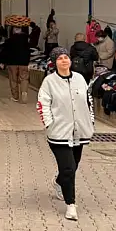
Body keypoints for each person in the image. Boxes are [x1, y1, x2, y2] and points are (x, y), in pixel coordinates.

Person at [36, 47, 95, 222]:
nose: (64, 60)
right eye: (60, 58)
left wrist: (90, 121)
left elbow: (88, 101)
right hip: (59, 133)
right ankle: (71, 205)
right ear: (54, 63)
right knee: (68, 167)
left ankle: (60, 182)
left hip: (80, 131)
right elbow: (43, 104)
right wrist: (49, 124)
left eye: (66, 57)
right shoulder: (49, 82)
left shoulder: (80, 79)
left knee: (73, 165)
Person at [1, 26, 31, 103]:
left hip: (12, 62)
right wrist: (28, 62)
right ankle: (24, 92)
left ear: (13, 30)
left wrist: (2, 62)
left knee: (13, 79)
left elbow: (5, 52)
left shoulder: (9, 40)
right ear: (21, 30)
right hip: (23, 62)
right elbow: (28, 52)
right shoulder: (26, 40)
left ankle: (15, 97)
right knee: (24, 78)